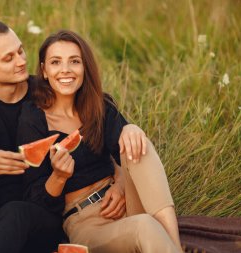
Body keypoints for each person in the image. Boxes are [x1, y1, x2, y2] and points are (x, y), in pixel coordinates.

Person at [0, 20, 148, 253]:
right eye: (9, 58)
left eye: (20, 50)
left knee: (15, 212)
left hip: (41, 208)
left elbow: (100, 130)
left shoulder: (46, 91)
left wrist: (120, 180)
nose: (22, 61)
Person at [17, 30, 183, 253]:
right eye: (56, 62)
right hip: (86, 222)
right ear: (44, 70)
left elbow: (125, 152)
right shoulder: (32, 119)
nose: (65, 69)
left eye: (74, 61)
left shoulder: (99, 106)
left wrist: (122, 182)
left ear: (84, 67)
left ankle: (174, 243)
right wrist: (58, 176)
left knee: (137, 141)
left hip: (125, 201)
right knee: (145, 226)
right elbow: (34, 198)